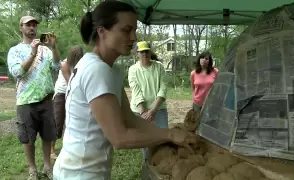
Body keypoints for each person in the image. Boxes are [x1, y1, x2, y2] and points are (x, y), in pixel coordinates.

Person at [52, 1, 197, 180]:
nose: (134, 37)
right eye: (126, 30)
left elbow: (129, 119)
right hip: (79, 174)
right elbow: (120, 138)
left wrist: (169, 134)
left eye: (134, 30)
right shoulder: (97, 70)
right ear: (102, 32)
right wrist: (169, 134)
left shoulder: (110, 69)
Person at [7, 16, 60, 180]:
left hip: (45, 99)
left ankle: (47, 166)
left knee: (47, 136)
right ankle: (32, 169)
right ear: (21, 28)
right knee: (28, 139)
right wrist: (32, 53)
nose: (32, 28)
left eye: (34, 25)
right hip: (25, 102)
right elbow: (17, 72)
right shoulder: (15, 51)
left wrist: (54, 47)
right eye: (28, 25)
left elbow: (56, 66)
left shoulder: (46, 50)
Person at [128, 41, 168, 162]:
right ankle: (147, 163)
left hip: (158, 109)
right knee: (144, 140)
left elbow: (163, 88)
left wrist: (153, 111)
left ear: (150, 52)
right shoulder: (133, 69)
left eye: (146, 51)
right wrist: (143, 113)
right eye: (142, 52)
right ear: (137, 54)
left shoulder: (159, 67)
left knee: (162, 137)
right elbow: (136, 91)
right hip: (140, 111)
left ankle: (163, 162)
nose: (144, 54)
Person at [50, 45, 84, 159]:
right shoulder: (64, 64)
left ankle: (69, 148)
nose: (79, 59)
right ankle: (51, 150)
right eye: (77, 57)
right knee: (57, 122)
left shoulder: (80, 64)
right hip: (61, 94)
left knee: (71, 122)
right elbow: (71, 81)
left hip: (72, 93)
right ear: (72, 56)